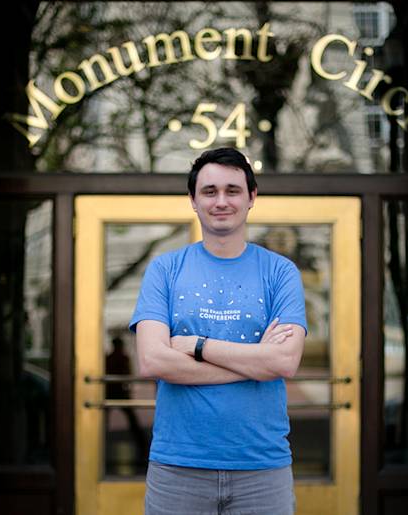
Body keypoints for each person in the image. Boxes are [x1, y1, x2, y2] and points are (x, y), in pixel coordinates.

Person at [129, 147, 307, 515]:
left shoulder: (280, 272)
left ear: (252, 197)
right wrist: (256, 361)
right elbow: (152, 360)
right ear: (193, 200)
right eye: (209, 191)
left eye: (232, 190)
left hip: (262, 468)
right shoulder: (164, 270)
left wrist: (196, 345)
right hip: (177, 468)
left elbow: (285, 362)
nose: (221, 201)